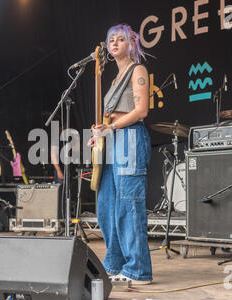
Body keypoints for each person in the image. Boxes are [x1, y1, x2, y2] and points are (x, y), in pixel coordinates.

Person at [88, 24, 152, 285]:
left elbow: (141, 110)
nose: (113, 43)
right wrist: (100, 133)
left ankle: (139, 271)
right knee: (107, 206)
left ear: (131, 44)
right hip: (112, 143)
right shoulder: (114, 78)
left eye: (120, 39)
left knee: (129, 206)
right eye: (110, 39)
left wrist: (112, 126)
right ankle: (115, 263)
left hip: (130, 139)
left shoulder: (138, 71)